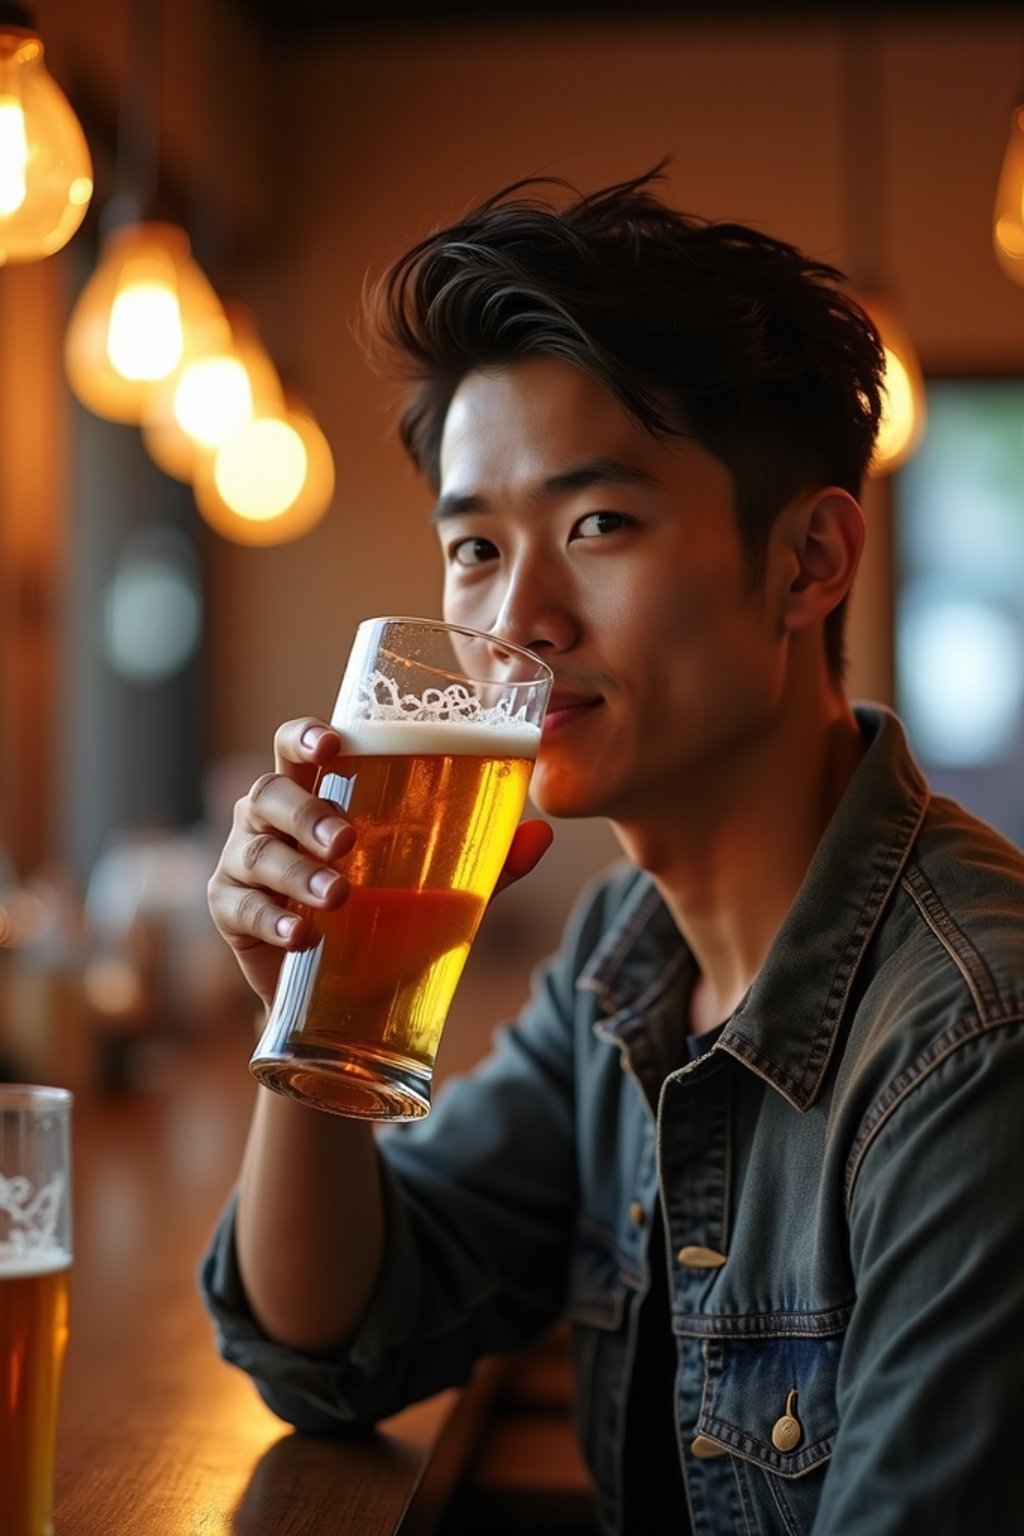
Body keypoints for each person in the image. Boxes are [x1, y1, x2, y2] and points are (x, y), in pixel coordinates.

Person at [201, 169, 1024, 1536]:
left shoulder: (974, 1038)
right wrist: (316, 984)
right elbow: (332, 1337)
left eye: (597, 525)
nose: (517, 615)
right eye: (472, 545)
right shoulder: (628, 964)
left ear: (810, 560)